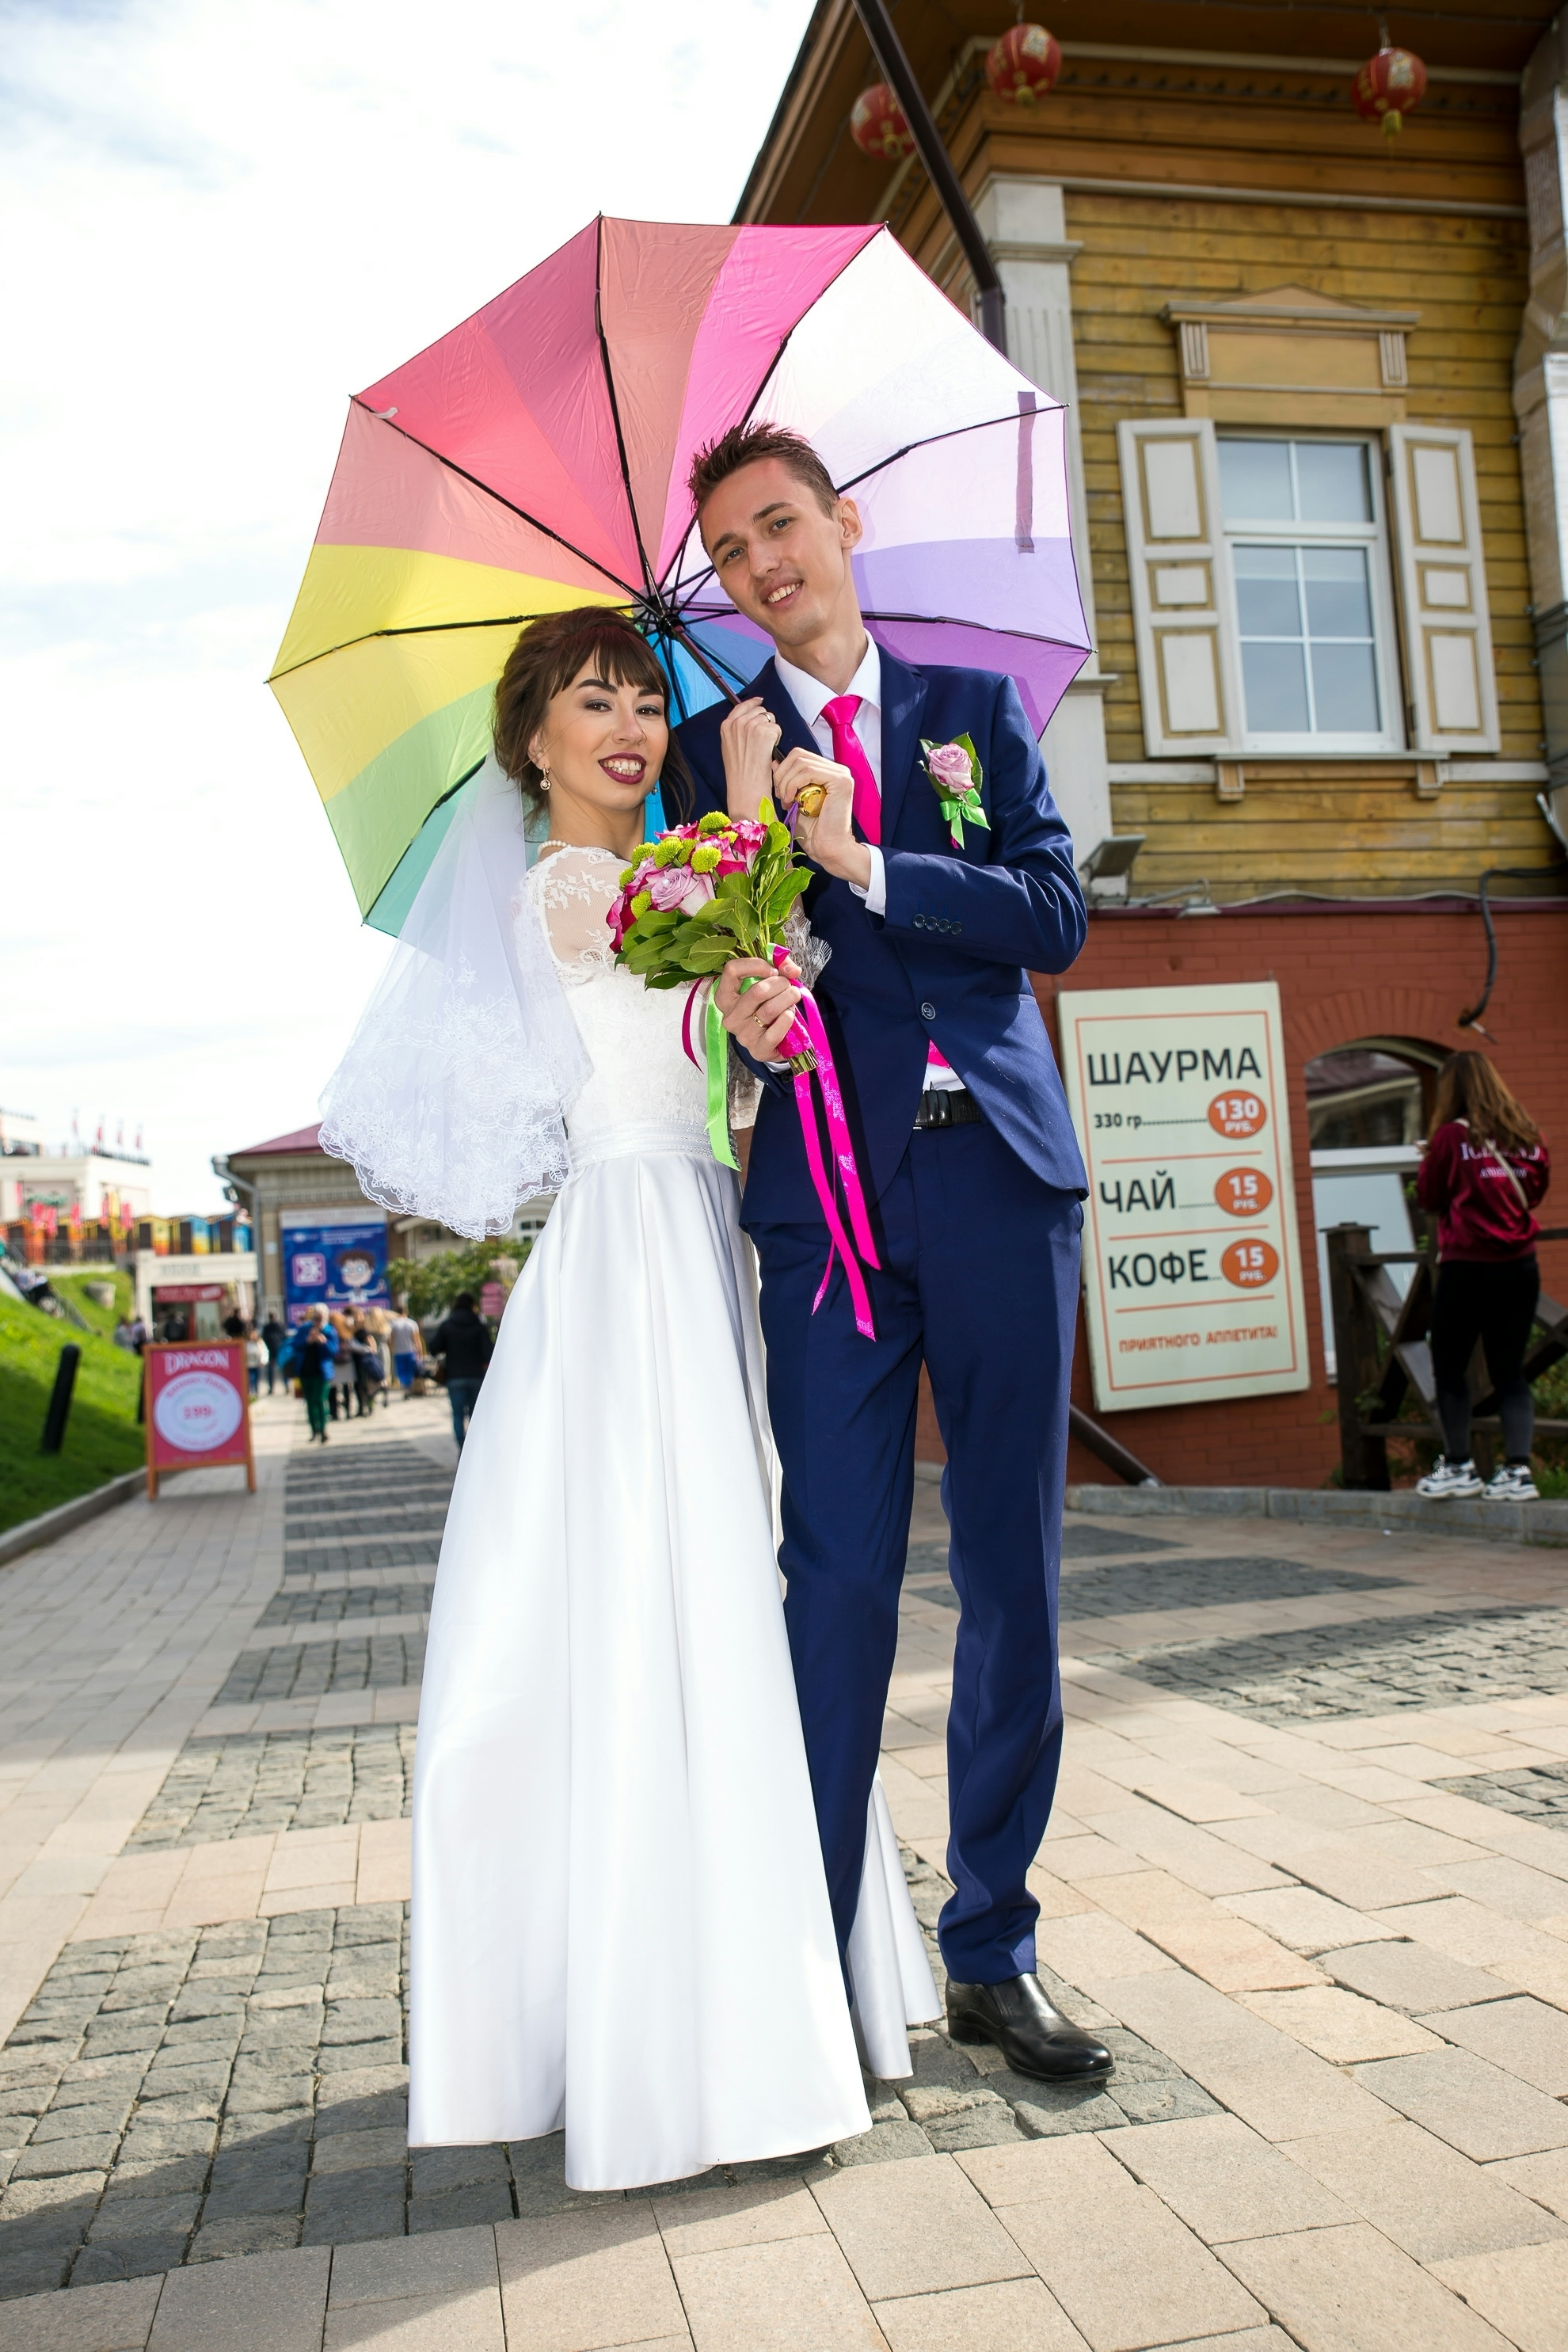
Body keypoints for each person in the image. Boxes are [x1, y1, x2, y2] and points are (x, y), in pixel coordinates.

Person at [319, 606, 933, 2193]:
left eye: (646, 699)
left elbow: (726, 1038)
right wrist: (747, 872)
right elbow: (662, 967)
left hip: (702, 1235)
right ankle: (690, 2022)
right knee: (663, 1592)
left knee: (725, 1585)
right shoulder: (573, 891)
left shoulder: (676, 882)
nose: (629, 725)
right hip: (629, 1255)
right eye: (592, 702)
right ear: (532, 741)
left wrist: (760, 1013)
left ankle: (758, 1972)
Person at [675, 422, 1109, 2086]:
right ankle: (808, 1966)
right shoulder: (711, 752)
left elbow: (1053, 917)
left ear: (845, 524)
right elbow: (708, 974)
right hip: (829, 1211)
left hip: (999, 1180)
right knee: (840, 1575)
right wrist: (748, 960)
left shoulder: (974, 714)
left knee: (1013, 1578)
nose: (762, 564)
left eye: (780, 523)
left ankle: (992, 1947)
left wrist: (868, 859)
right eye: (731, 551)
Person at [1414, 1051, 1551, 1502]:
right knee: (1510, 1371)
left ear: (1452, 1088)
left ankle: (1458, 1466)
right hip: (1520, 1266)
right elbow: (1534, 1192)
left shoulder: (1451, 1137)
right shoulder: (1526, 1134)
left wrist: (1430, 1158)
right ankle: (1518, 1472)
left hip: (1467, 1267)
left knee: (1449, 1367)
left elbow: (1430, 1197)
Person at [427, 1293, 492, 1448]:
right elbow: (489, 1353)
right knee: (475, 1414)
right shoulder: (479, 1326)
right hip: (476, 1376)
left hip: (454, 1376)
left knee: (457, 1414)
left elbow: (434, 1348)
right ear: (472, 1306)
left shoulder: (447, 1326)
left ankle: (461, 1445)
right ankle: (474, 1447)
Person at [295, 1307, 337, 1444]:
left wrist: (323, 1342)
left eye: (320, 1318)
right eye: (316, 1318)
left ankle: (323, 1430)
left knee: (320, 1400)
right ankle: (314, 1431)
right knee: (310, 1402)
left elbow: (333, 1351)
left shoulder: (330, 1331)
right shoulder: (305, 1329)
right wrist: (308, 1340)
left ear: (326, 1318)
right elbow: (295, 1344)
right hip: (306, 1371)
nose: (318, 1321)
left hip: (322, 1373)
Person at [388, 1307, 421, 1396]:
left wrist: (390, 1350)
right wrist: (419, 1352)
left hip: (398, 1352)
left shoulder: (393, 1324)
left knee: (402, 1372)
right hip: (410, 1350)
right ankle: (410, 1390)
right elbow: (416, 1340)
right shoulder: (412, 1323)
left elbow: (391, 1340)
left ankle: (405, 1390)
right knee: (410, 1371)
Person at [261, 1312, 287, 1395]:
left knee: (270, 1370)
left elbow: (264, 1338)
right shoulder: (281, 1326)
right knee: (283, 1368)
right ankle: (286, 1386)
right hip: (280, 1348)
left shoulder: (266, 1328)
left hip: (270, 1349)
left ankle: (271, 1388)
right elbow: (284, 1337)